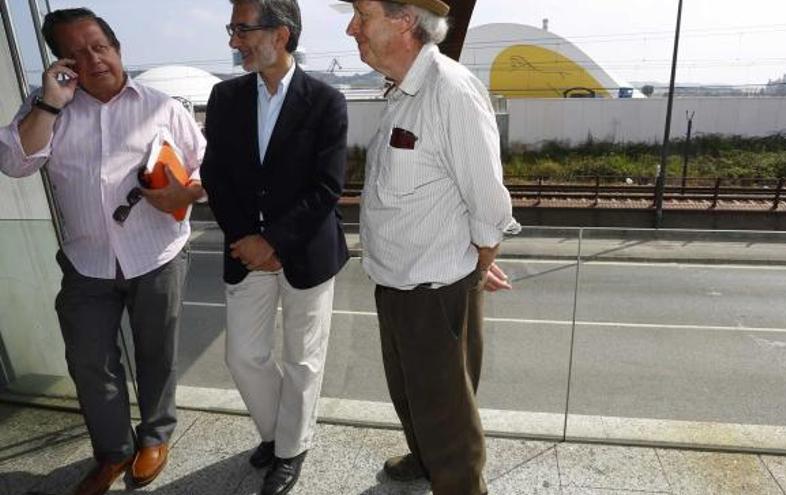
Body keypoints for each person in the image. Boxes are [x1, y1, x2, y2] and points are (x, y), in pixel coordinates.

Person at [0, 8, 205, 495]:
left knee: (157, 353)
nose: (93, 60)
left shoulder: (163, 106)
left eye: (100, 46)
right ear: (61, 62)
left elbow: (203, 170)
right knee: (90, 360)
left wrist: (184, 193)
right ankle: (113, 451)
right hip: (86, 262)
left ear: (117, 49)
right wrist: (50, 104)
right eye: (77, 52)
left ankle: (156, 435)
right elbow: (15, 163)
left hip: (157, 254)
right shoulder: (46, 108)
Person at [343, 1, 519, 494]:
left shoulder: (451, 90)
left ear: (404, 20)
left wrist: (477, 265)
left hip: (434, 289)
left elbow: (486, 199)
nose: (351, 27)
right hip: (395, 281)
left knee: (448, 416)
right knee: (410, 392)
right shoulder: (403, 91)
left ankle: (458, 483)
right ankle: (424, 459)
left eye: (362, 14)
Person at [200, 1, 348, 494]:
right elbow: (214, 175)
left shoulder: (327, 100)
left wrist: (275, 240)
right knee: (243, 357)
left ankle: (290, 449)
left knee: (304, 360)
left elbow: (326, 188)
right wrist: (250, 241)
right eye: (233, 29)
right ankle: (277, 431)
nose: (233, 41)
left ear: (280, 35)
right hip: (246, 250)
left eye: (242, 30)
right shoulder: (224, 97)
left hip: (306, 250)